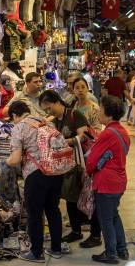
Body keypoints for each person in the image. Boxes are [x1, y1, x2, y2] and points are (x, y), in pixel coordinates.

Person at [38, 90, 102, 245]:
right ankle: (76, 231)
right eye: (45, 110)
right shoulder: (55, 120)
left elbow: (83, 136)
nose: (48, 112)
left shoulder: (75, 115)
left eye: (48, 108)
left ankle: (95, 235)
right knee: (71, 197)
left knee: (89, 198)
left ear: (57, 102)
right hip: (67, 165)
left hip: (82, 163)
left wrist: (63, 142)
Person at [6, 101, 63, 263]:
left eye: (12, 119)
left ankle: (36, 253)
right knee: (53, 210)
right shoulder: (46, 121)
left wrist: (6, 162)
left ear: (15, 116)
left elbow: (15, 158)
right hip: (55, 170)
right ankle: (56, 249)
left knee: (35, 214)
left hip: (36, 174)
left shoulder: (19, 128)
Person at [86, 96, 130, 264]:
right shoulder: (122, 131)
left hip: (106, 182)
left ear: (108, 113)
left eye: (101, 108)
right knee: (113, 216)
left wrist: (88, 171)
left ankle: (111, 253)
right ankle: (122, 249)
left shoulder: (107, 133)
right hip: (119, 180)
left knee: (105, 220)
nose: (98, 112)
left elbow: (91, 161)